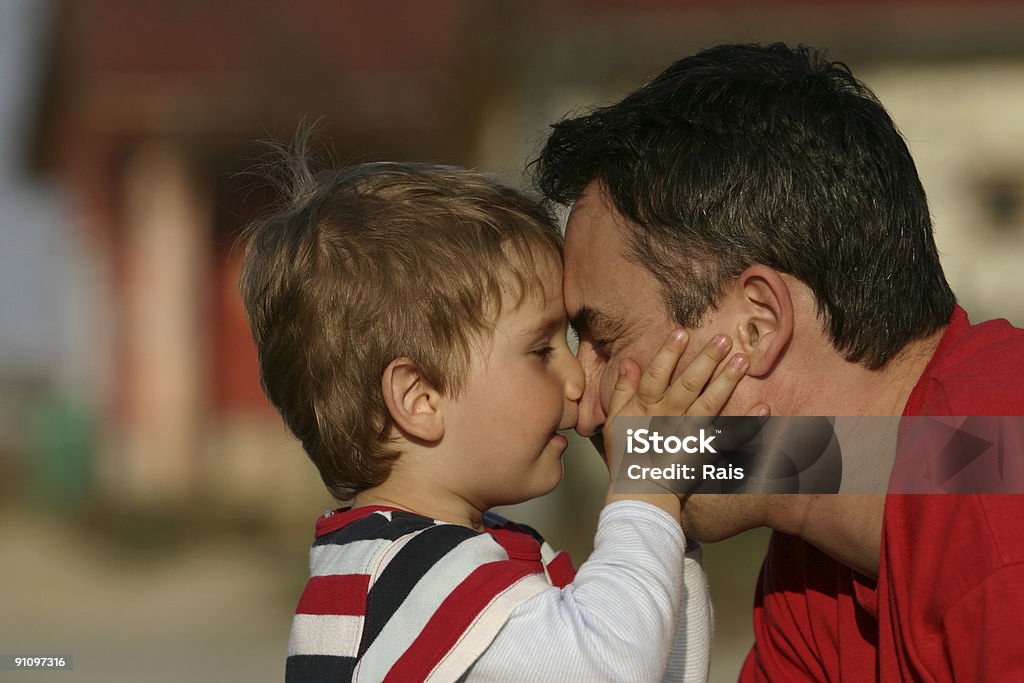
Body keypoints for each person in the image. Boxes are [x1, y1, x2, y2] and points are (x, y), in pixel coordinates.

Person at [533, 42, 1024, 681]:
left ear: (755, 326)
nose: (585, 406)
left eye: (606, 342)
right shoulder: (818, 553)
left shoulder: (997, 506)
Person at [238, 152, 750, 681]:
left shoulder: (441, 557)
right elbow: (611, 666)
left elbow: (655, 664)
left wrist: (668, 520)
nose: (576, 382)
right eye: (541, 350)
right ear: (420, 398)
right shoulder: (404, 574)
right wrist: (646, 492)